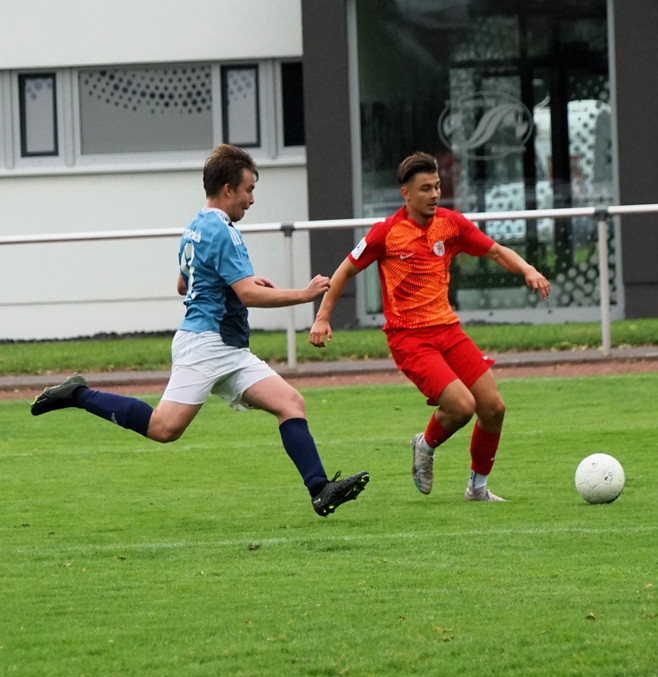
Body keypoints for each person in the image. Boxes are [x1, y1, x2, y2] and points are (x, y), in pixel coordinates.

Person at [30, 144, 369, 518]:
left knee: (290, 403)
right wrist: (304, 294)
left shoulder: (195, 226)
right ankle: (78, 394)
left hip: (228, 347)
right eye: (249, 190)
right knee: (164, 428)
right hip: (205, 344)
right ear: (228, 189)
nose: (252, 199)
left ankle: (320, 489)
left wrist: (235, 280)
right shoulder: (223, 230)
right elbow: (248, 295)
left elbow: (183, 284)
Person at [309, 151, 551, 501]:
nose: (435, 194)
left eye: (437, 186)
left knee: (493, 407)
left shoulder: (451, 224)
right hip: (409, 338)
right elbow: (345, 270)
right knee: (462, 406)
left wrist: (528, 269)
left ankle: (477, 488)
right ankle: (425, 444)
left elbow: (496, 251)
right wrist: (322, 318)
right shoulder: (386, 233)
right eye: (426, 188)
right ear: (405, 193)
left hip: (448, 330)